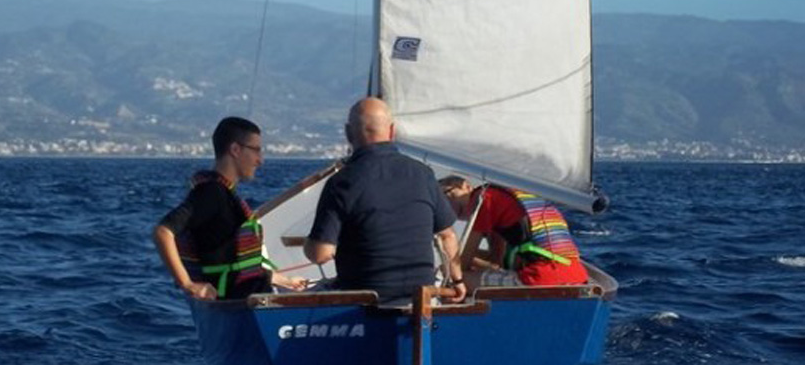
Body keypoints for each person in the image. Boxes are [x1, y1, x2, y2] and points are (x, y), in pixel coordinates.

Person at [304, 97, 466, 304]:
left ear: (348, 133)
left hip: (364, 303)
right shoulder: (423, 174)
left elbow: (321, 254)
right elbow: (447, 236)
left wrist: (309, 246)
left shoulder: (342, 182)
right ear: (391, 131)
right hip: (421, 300)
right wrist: (458, 280)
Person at [153, 117, 306, 300]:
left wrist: (285, 280)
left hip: (247, 294)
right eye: (256, 150)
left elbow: (228, 260)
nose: (260, 160)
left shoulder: (224, 194)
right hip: (235, 301)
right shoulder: (211, 193)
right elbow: (163, 232)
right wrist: (188, 284)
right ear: (235, 150)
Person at [438, 176, 588, 287]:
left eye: (446, 194)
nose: (446, 205)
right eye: (438, 201)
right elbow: (496, 262)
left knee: (455, 278)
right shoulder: (501, 199)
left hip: (542, 276)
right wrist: (463, 256)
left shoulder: (483, 200)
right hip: (575, 273)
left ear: (466, 186)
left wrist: (449, 257)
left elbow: (461, 265)